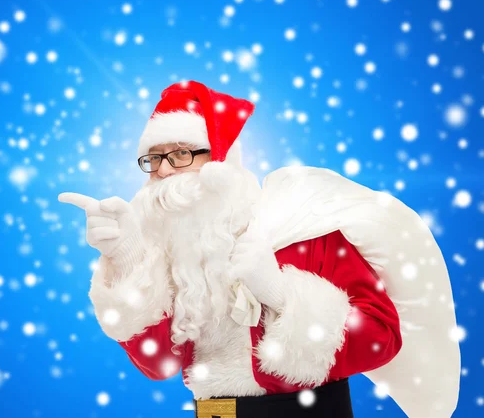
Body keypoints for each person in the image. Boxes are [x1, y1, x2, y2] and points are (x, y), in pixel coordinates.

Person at [58, 80, 460, 418]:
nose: (163, 171)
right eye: (154, 158)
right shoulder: (168, 251)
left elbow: (381, 338)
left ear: (222, 161)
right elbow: (158, 363)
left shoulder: (299, 229)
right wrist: (127, 258)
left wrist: (283, 296)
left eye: (180, 154)